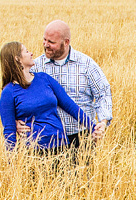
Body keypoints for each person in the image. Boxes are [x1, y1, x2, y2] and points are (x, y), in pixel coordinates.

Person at [14, 20, 112, 149]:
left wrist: (103, 122)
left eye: (51, 42)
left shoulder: (86, 65)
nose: (46, 45)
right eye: (44, 40)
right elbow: (16, 96)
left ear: (66, 42)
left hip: (82, 137)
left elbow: (103, 93)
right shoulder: (35, 67)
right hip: (46, 141)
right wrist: (15, 121)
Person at [0, 41, 102, 157]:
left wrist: (93, 128)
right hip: (33, 152)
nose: (31, 53)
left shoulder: (44, 79)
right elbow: (9, 131)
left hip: (61, 145)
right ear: (17, 59)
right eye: (26, 52)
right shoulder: (9, 92)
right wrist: (12, 164)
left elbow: (70, 106)